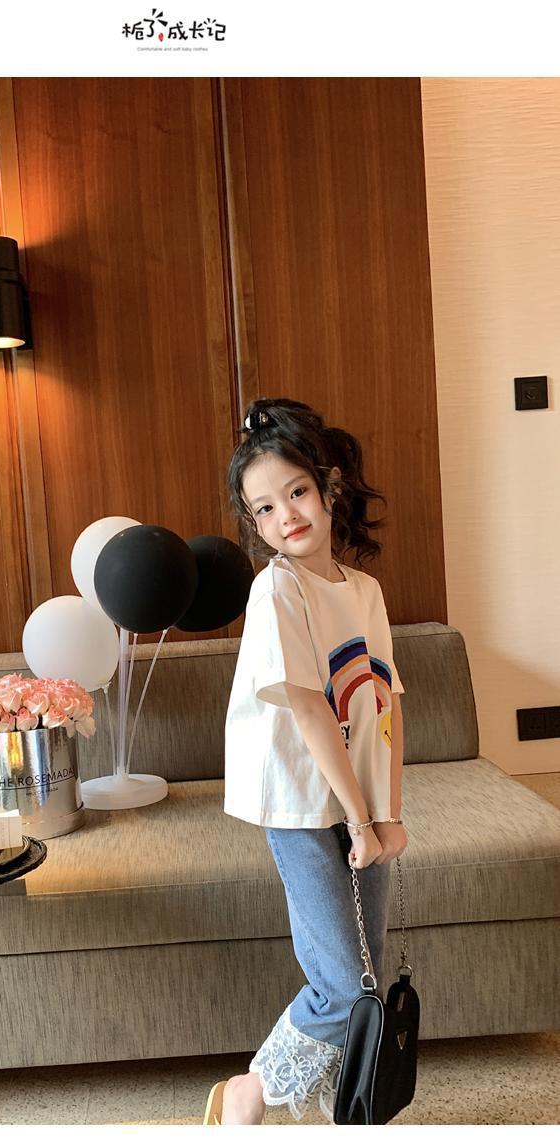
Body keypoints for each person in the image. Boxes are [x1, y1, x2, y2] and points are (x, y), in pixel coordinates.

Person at [204, 398, 408, 1126]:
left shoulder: (364, 591)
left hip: (357, 798)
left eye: (295, 492)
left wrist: (387, 813)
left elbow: (384, 705)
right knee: (345, 984)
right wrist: (360, 818)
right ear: (254, 524)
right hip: (298, 799)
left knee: (366, 973)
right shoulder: (276, 589)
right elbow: (311, 709)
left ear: (329, 487)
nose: (285, 515)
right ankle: (248, 1093)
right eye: (264, 507)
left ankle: (338, 1105)